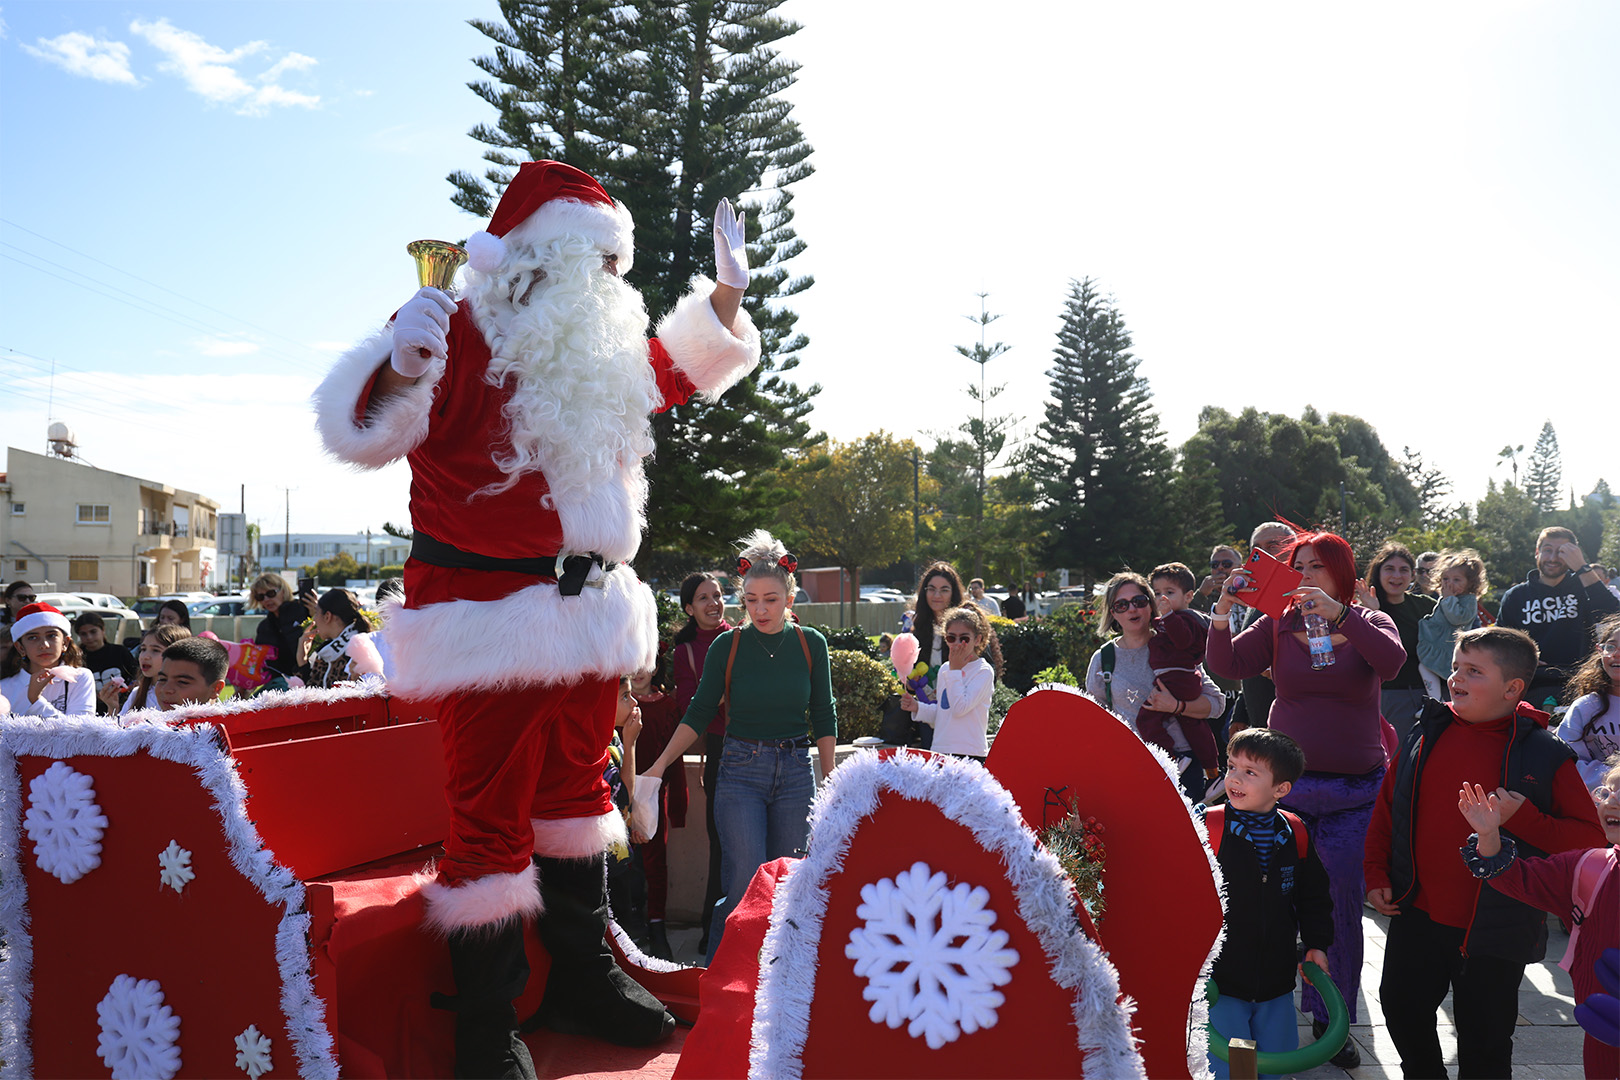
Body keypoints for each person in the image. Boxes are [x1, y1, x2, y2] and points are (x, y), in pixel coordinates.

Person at [313, 159, 760, 1072]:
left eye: (611, 268)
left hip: (590, 620)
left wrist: (723, 296)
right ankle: (485, 1028)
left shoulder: (594, 359)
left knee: (573, 798)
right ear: (532, 259)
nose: (604, 285)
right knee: (489, 820)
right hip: (488, 621)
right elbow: (366, 425)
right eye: (588, 263)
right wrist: (399, 362)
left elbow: (673, 368)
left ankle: (581, 977)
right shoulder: (461, 329)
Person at [1365, 625, 1605, 1078]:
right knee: (1401, 1008)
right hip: (1417, 911)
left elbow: (1590, 841)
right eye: (1456, 667)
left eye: (1473, 671)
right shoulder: (1426, 731)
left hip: (1498, 926)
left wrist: (1524, 818)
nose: (1456, 678)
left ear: (1512, 688)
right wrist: (1376, 871)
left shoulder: (1544, 753)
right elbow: (1388, 807)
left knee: (1486, 1040)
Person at [1207, 529, 1403, 1068]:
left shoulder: (1370, 620)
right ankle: (1255, 1012)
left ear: (1342, 573)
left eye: (1317, 566)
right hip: (1282, 793)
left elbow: (1390, 663)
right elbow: (1226, 664)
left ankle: (1330, 1020)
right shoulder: (1278, 623)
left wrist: (1341, 615)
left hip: (1352, 792)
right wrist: (1224, 609)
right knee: (1255, 896)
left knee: (1337, 901)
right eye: (1299, 566)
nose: (1306, 576)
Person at [642, 531, 836, 965]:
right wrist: (656, 767)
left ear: (789, 596)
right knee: (743, 886)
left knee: (789, 886)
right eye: (750, 600)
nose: (760, 609)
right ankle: (721, 987)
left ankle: (783, 987)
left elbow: (824, 716)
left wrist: (831, 782)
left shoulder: (812, 645)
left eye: (770, 599)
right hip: (739, 772)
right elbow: (697, 713)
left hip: (794, 773)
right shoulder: (727, 646)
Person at [1459, 765, 1620, 1080]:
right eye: (1607, 791)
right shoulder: (1590, 868)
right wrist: (1489, 835)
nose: (1611, 802)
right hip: (1603, 1032)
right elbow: (1517, 878)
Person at [1204, 728, 1333, 1080]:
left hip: (1276, 984)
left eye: (1250, 772)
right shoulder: (1209, 827)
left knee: (1276, 1064)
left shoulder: (1295, 832)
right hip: (1222, 983)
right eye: (1232, 766)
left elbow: (1314, 897)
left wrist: (1317, 944)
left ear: (1281, 789)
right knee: (1233, 1069)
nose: (1234, 778)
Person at [1085, 572, 1226, 803]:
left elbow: (1216, 705)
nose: (1132, 610)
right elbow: (1096, 722)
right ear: (1113, 613)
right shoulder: (1103, 659)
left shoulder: (1177, 645)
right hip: (1129, 765)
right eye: (1122, 605)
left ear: (1152, 605)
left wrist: (1176, 706)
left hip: (1183, 765)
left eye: (1139, 602)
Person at [670, 570, 733, 955]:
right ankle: (716, 933)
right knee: (721, 846)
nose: (714, 603)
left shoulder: (743, 636)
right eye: (704, 598)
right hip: (721, 751)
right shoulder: (686, 652)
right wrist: (722, 695)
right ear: (690, 608)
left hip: (759, 744)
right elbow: (691, 708)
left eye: (719, 594)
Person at [1497, 526, 1620, 707]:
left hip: (1581, 683)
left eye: (1562, 552)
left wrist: (1581, 566)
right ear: (1537, 552)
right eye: (1548, 550)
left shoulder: (1584, 587)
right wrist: (1523, 656)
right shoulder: (1516, 596)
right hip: (1531, 683)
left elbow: (1613, 616)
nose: (1553, 558)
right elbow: (1500, 642)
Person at [629, 663, 686, 960]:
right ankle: (629, 924)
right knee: (624, 860)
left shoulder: (666, 707)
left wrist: (678, 804)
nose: (639, 672)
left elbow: (675, 760)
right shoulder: (618, 705)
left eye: (645, 665)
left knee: (655, 860)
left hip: (653, 793)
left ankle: (657, 925)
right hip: (618, 791)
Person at [900, 604, 998, 760]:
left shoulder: (983, 671)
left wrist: (955, 671)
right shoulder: (946, 669)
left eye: (964, 638)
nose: (957, 643)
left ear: (977, 639)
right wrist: (918, 707)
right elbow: (944, 713)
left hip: (970, 753)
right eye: (951, 638)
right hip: (941, 750)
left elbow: (960, 708)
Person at [1356, 541, 1436, 725]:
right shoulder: (1363, 610)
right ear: (1379, 572)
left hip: (1430, 696)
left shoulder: (1427, 606)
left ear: (1412, 574)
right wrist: (1373, 614)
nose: (1397, 576)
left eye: (1404, 570)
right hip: (1387, 698)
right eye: (1390, 569)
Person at [1229, 521, 1296, 733]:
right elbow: (1250, 659)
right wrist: (1241, 712)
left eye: (1273, 546)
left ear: (1294, 549)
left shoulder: (1305, 597)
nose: (1263, 554)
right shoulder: (1255, 600)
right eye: (1256, 548)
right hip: (1261, 724)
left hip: (1297, 722)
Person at [910, 561, 1003, 702]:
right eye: (931, 589)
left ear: (953, 593)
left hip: (960, 710)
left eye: (944, 590)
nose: (937, 595)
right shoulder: (919, 626)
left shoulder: (966, 624)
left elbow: (988, 669)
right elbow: (909, 672)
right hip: (924, 709)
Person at [1556, 615, 1620, 789]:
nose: (1616, 654)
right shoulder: (1585, 707)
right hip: (1597, 803)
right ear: (1600, 651)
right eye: (1611, 647)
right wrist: (1612, 781)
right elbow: (1564, 759)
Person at [0, 602, 96, 718]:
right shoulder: (4, 688)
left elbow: (81, 732)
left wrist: (36, 700)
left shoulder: (79, 677)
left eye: (51, 635)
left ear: (65, 643)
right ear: (20, 648)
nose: (44, 645)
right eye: (33, 638)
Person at [1416, 548, 1488, 700]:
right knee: (1424, 667)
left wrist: (1448, 599)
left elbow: (1457, 618)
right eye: (1445, 579)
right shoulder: (1447, 597)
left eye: (1456, 580)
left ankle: (1442, 701)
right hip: (1438, 643)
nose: (1449, 584)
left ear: (1470, 583)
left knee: (1452, 674)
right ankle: (1434, 699)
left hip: (1448, 648)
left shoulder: (1468, 601)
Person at [299, 588, 380, 688]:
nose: (314, 619)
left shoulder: (360, 651)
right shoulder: (326, 651)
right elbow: (312, 694)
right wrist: (302, 661)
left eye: (316, 613)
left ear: (327, 616)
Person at [251, 573, 314, 681]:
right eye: (260, 597)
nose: (266, 599)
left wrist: (315, 615)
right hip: (278, 684)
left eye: (271, 593)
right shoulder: (264, 627)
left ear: (283, 591)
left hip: (307, 677)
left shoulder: (303, 612)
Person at [120, 624, 192, 717]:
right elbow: (120, 728)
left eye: (155, 650)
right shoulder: (137, 693)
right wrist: (111, 706)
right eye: (143, 649)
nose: (145, 656)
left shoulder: (186, 694)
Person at [75, 612, 137, 716]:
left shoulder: (120, 652)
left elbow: (136, 676)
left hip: (123, 710)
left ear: (103, 630)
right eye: (83, 634)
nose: (89, 637)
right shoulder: (76, 658)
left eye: (93, 632)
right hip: (92, 713)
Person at [153, 636, 229, 709]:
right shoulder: (148, 720)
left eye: (182, 682)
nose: (166, 689)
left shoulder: (229, 722)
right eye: (162, 679)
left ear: (216, 688)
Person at [1194, 544, 1245, 612]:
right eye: (1215, 565)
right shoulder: (1207, 596)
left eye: (1226, 564)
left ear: (1240, 567)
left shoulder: (1250, 590)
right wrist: (1201, 594)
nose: (1220, 567)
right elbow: (1186, 615)